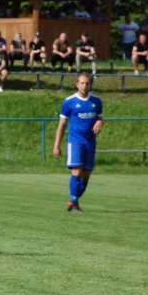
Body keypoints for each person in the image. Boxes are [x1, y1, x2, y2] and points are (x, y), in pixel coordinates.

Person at [52, 73, 103, 212]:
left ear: (90, 84)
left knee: (86, 174)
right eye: (82, 83)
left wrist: (100, 122)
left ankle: (74, 200)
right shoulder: (69, 102)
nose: (84, 86)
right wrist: (56, 145)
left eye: (87, 83)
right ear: (76, 84)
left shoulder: (97, 101)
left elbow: (100, 117)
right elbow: (62, 125)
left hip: (90, 142)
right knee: (77, 170)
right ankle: (73, 200)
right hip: (75, 141)